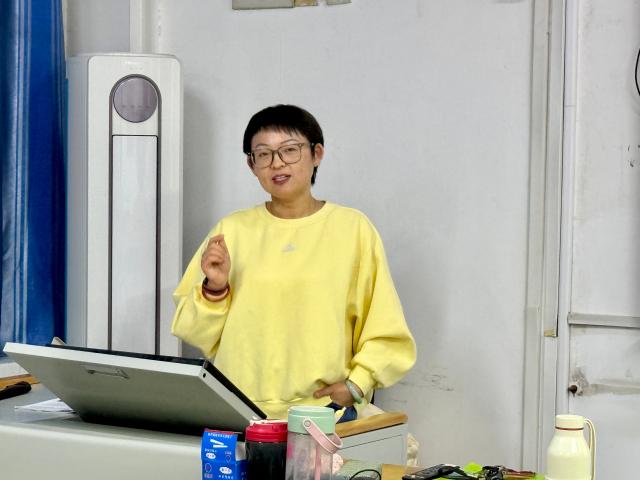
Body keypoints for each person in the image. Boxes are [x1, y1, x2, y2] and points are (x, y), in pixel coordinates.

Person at [171, 104, 416, 420]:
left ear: (317, 154)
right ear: (251, 164)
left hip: (324, 413)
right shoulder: (231, 231)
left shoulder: (352, 229)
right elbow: (193, 332)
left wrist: (357, 384)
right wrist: (214, 289)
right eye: (263, 154)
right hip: (237, 410)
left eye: (289, 150)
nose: (277, 163)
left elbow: (385, 324)